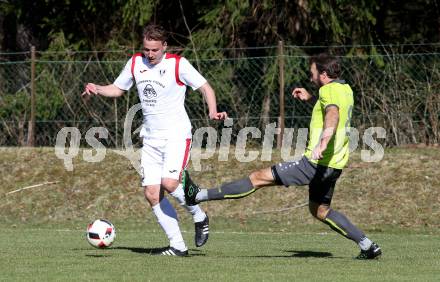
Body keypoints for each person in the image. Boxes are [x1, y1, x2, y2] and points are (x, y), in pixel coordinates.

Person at [183, 53, 382, 260]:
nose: (311, 77)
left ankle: (198, 195)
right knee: (320, 210)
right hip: (334, 165)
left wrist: (322, 142)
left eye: (312, 73)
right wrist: (311, 98)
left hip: (315, 163)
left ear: (323, 74)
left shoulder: (328, 92)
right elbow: (333, 106)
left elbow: (333, 114)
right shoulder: (344, 89)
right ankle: (368, 245)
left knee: (258, 177)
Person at [82, 24, 227, 256]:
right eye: (146, 49)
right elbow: (118, 89)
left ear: (165, 47)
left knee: (169, 183)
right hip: (150, 138)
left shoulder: (178, 64)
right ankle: (178, 246)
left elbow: (206, 88)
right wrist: (97, 88)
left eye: (154, 50)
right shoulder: (135, 63)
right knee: (152, 193)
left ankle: (199, 216)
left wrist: (212, 112)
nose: (149, 54)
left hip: (177, 135)